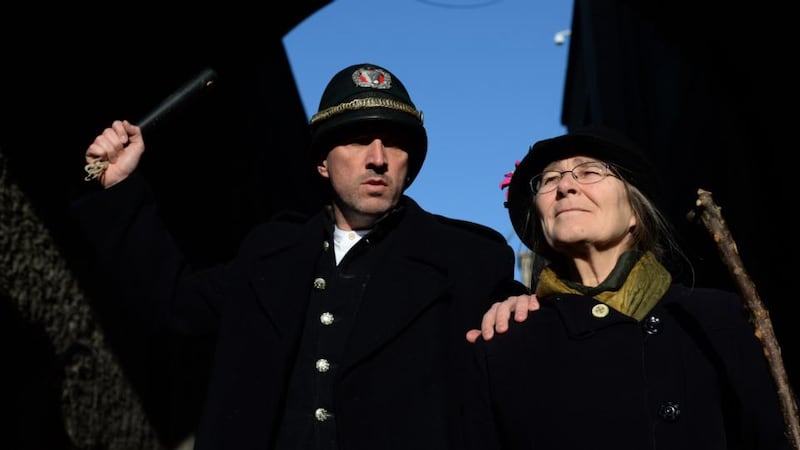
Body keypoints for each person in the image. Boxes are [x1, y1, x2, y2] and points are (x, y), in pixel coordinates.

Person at [71, 62, 527, 449]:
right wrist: (120, 188)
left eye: (393, 141)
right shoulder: (269, 254)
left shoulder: (469, 261)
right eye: (355, 140)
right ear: (322, 163)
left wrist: (522, 303)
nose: (377, 158)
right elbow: (173, 306)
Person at [463, 125, 791, 449]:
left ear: (635, 210)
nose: (565, 186)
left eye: (589, 172)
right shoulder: (506, 345)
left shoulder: (718, 319)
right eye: (549, 180)